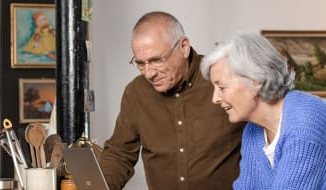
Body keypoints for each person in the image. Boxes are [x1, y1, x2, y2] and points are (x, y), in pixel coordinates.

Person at [200, 33, 326, 189]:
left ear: (255, 81)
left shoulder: (305, 122)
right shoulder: (253, 133)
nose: (215, 98)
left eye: (222, 87)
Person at [98, 11, 245, 190]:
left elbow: (263, 134)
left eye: (156, 60)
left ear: (183, 46)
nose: (149, 73)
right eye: (141, 63)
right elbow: (120, 154)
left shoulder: (223, 78)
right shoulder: (135, 92)